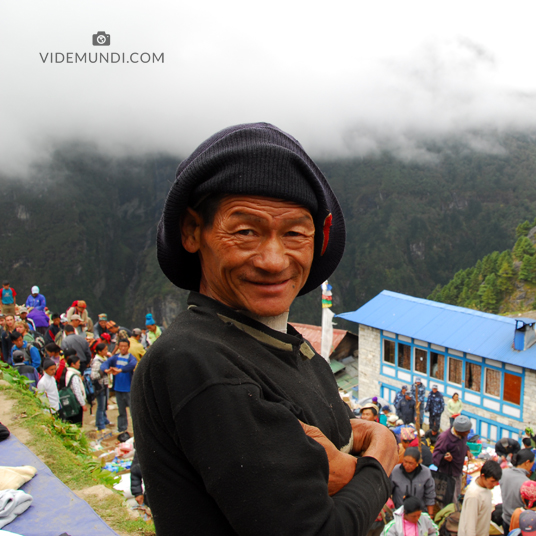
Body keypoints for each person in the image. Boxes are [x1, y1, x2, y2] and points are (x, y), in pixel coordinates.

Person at [131, 122, 396, 535]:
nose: (273, 259)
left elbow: (338, 444)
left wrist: (355, 461)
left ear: (319, 238)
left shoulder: (282, 346)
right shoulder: (200, 364)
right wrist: (381, 460)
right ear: (191, 230)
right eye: (245, 231)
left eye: (294, 233)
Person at [101, 339, 136, 436]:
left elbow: (132, 365)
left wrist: (120, 370)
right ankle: (122, 428)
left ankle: (136, 429)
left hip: (128, 388)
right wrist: (106, 370)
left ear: (128, 347)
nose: (123, 348)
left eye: (125, 346)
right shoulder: (115, 358)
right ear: (118, 347)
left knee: (133, 411)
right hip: (118, 388)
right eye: (121, 346)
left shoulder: (130, 358)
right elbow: (105, 364)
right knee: (121, 411)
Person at [458, 460, 502, 536]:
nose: (495, 484)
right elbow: (470, 526)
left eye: (496, 481)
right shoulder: (474, 495)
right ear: (483, 476)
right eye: (492, 481)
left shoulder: (486, 487)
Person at [390, 447, 436, 517]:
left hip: (419, 513)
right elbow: (387, 492)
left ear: (417, 463)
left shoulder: (426, 473)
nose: (407, 466)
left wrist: (430, 515)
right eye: (405, 462)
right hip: (399, 513)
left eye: (411, 463)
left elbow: (430, 495)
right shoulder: (395, 471)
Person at [501, 449, 536, 534]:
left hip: (505, 518)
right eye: (532, 464)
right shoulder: (526, 483)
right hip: (518, 523)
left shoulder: (504, 472)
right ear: (527, 462)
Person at [91, 342, 112, 433]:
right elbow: (93, 376)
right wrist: (103, 372)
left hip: (105, 385)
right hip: (100, 387)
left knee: (104, 405)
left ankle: (104, 420)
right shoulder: (97, 362)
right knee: (101, 406)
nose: (106, 352)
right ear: (99, 351)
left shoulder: (104, 359)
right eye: (105, 350)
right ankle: (100, 424)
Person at [64, 354, 87, 427]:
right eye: (78, 363)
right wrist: (83, 404)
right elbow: (77, 391)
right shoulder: (74, 376)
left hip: (70, 402)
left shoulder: (67, 373)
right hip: (75, 402)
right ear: (73, 364)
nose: (79, 364)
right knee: (77, 423)